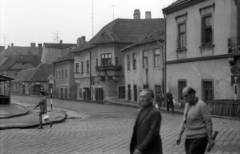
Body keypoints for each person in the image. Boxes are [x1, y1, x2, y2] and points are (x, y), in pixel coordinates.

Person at [176, 87, 214, 154]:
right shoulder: (187, 105)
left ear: (192, 94)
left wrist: (210, 137)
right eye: (183, 96)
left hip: (200, 138)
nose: (184, 98)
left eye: (186, 96)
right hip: (189, 137)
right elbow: (184, 121)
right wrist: (179, 135)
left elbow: (208, 122)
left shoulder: (201, 105)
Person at [130, 89, 163, 154]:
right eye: (140, 97)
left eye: (144, 97)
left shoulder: (155, 112)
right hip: (141, 147)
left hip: (151, 150)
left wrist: (140, 149)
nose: (141, 99)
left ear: (151, 100)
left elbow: (153, 133)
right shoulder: (141, 110)